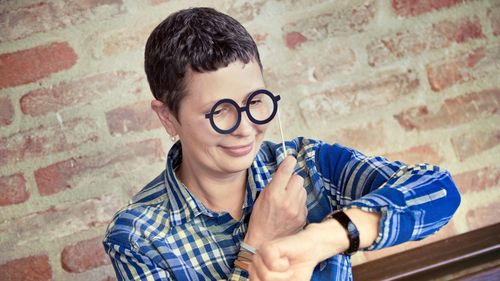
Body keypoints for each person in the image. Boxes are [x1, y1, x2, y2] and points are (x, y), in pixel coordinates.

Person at [103, 7, 461, 281]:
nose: (245, 129)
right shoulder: (138, 237)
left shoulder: (309, 165)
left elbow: (438, 191)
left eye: (255, 101)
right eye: (219, 112)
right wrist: (258, 243)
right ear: (167, 117)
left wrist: (321, 239)